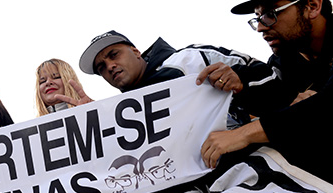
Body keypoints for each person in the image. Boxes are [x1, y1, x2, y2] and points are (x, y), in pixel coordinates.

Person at [201, 0, 333, 181]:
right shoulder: (284, 62)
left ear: (312, 6)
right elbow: (276, 100)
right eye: (257, 18)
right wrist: (239, 83)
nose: (260, 27)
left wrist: (242, 135)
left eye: (271, 14)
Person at [61, 30, 291, 127]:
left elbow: (276, 81)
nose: (109, 66)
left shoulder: (190, 58)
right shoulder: (121, 113)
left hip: (253, 163)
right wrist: (97, 120)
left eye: (114, 55)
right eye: (101, 67)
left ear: (136, 51)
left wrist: (241, 84)